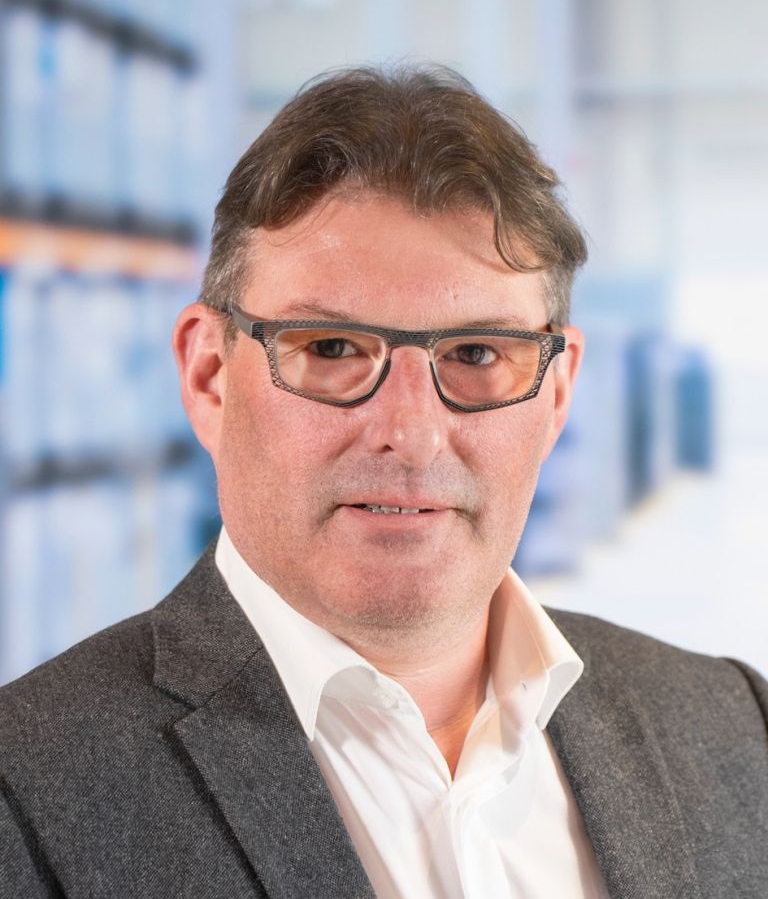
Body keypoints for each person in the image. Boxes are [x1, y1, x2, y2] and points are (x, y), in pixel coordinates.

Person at [1, 65, 766, 899]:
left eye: (477, 354)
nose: (410, 432)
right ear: (210, 375)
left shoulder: (735, 730)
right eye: (331, 349)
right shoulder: (26, 791)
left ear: (556, 393)